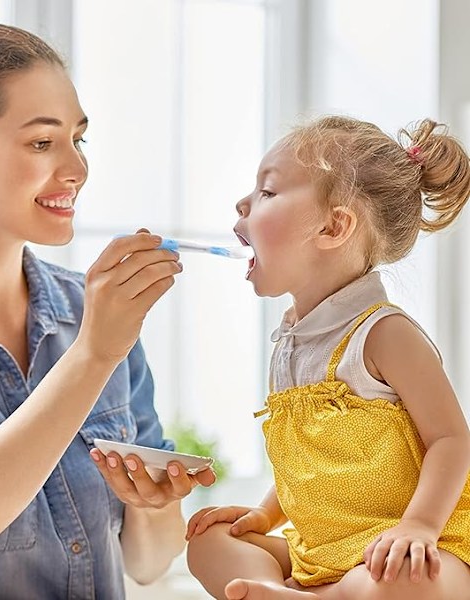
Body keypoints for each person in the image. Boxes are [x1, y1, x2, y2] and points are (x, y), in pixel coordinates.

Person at [0, 22, 214, 600]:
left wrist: (151, 504)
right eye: (41, 142)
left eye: (79, 139)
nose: (76, 168)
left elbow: (149, 563)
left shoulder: (95, 313)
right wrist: (94, 355)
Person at [185, 115, 470, 599]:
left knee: (407, 584)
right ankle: (305, 592)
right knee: (207, 542)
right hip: (320, 551)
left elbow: (451, 439)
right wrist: (265, 515)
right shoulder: (292, 343)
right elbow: (313, 462)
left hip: (408, 547)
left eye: (268, 192)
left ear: (334, 226)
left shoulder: (384, 334)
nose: (243, 202)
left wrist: (419, 527)